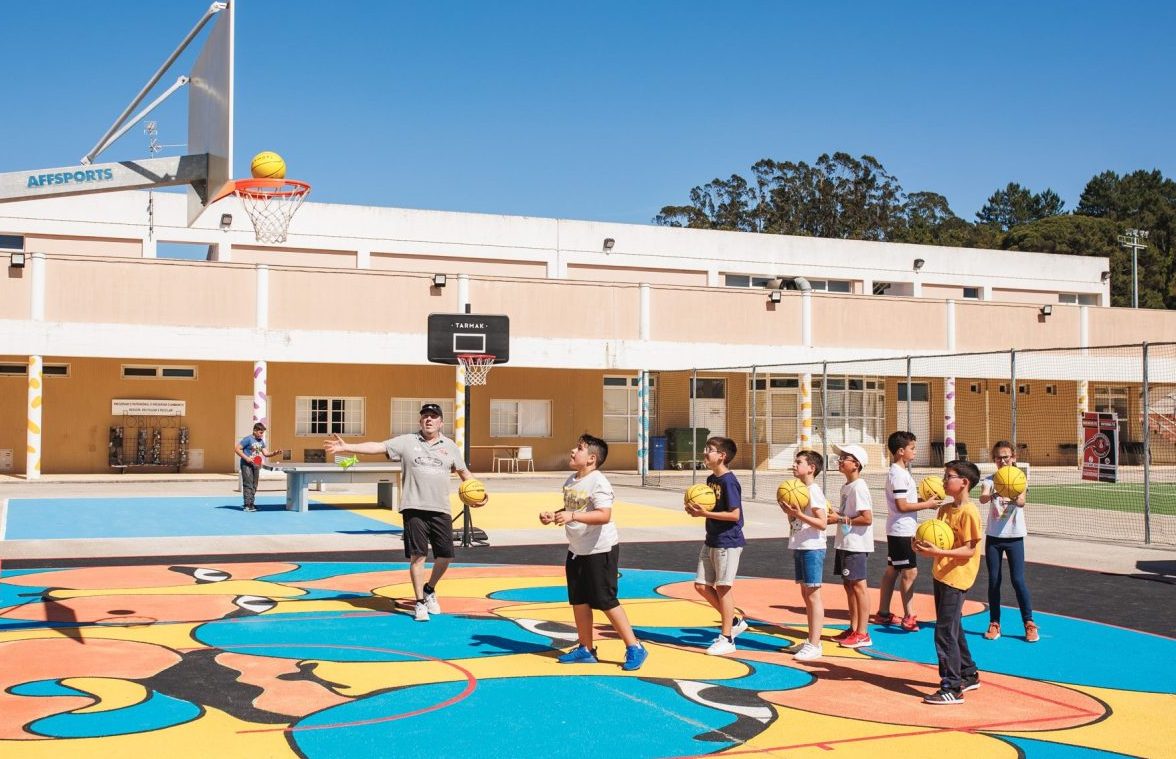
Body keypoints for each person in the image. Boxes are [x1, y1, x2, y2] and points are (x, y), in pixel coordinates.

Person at [324, 403, 484, 622]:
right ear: (420, 421)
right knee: (418, 556)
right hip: (413, 507)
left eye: (433, 416)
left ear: (441, 422)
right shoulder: (407, 441)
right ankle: (419, 603)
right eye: (425, 416)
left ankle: (429, 589)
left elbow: (465, 473)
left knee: (445, 556)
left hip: (441, 509)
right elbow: (378, 446)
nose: (429, 419)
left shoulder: (450, 446)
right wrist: (347, 447)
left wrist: (480, 494)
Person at [539, 433, 648, 671]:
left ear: (591, 458)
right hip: (578, 549)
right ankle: (586, 648)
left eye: (578, 449)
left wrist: (572, 515)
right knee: (579, 600)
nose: (572, 451)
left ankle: (634, 646)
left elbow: (603, 514)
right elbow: (573, 508)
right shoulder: (571, 480)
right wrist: (555, 515)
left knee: (605, 600)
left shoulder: (599, 482)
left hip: (600, 549)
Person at [914, 459, 984, 705]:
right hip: (941, 573)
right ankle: (968, 673)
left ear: (964, 482)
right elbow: (938, 539)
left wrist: (939, 553)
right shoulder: (944, 509)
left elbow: (968, 551)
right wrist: (921, 544)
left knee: (944, 632)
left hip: (958, 577)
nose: (944, 480)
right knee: (954, 626)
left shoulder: (969, 512)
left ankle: (952, 687)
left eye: (948, 476)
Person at [684, 436, 748, 656]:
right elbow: (710, 507)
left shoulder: (729, 481)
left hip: (727, 541)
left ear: (722, 456)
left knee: (723, 588)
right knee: (701, 586)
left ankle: (727, 638)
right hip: (711, 538)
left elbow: (734, 515)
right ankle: (735, 621)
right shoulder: (711, 479)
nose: (705, 452)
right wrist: (695, 510)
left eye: (710, 449)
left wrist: (705, 513)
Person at [872, 431, 942, 631]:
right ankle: (909, 616)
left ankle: (883, 613)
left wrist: (924, 502)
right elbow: (902, 506)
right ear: (901, 451)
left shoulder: (900, 473)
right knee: (910, 572)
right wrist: (926, 505)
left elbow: (903, 503)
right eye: (912, 448)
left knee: (892, 570)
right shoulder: (898, 475)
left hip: (898, 529)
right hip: (902, 531)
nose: (914, 451)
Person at [980, 441, 1038, 643]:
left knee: (1018, 580)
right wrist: (995, 491)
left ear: (1013, 457)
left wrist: (1011, 494)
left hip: (1014, 537)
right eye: (998, 457)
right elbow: (983, 498)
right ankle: (994, 622)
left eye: (1006, 457)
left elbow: (1021, 501)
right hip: (994, 538)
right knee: (994, 581)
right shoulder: (990, 480)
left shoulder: (1019, 479)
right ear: (994, 460)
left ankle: (1029, 623)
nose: (1003, 460)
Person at [778, 449, 829, 661]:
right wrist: (791, 515)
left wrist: (798, 514)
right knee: (806, 594)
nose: (794, 465)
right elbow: (798, 521)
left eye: (799, 462)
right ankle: (810, 640)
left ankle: (816, 644)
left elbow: (823, 522)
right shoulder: (799, 490)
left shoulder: (813, 491)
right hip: (800, 545)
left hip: (813, 547)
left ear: (811, 468)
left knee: (813, 595)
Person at [829, 443, 874, 649]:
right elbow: (846, 516)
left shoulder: (859, 487)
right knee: (848, 586)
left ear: (855, 464)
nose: (840, 460)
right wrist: (836, 517)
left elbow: (867, 518)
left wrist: (839, 518)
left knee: (858, 586)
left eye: (845, 458)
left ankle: (863, 633)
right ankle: (854, 627)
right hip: (846, 542)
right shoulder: (847, 486)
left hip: (856, 544)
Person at [235, 422, 278, 512]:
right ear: (255, 431)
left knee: (254, 485)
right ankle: (247, 505)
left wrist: (274, 453)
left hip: (256, 465)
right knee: (248, 484)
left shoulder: (261, 441)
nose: (262, 434)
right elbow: (237, 449)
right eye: (260, 432)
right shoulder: (248, 439)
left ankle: (251, 503)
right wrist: (246, 458)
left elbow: (266, 453)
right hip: (246, 465)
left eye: (263, 433)